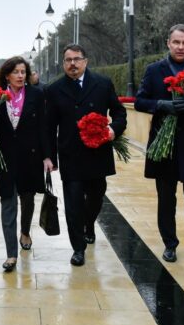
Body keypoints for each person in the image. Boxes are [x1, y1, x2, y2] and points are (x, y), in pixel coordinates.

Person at [135, 24, 184, 270]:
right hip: (163, 145)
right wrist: (161, 105)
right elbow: (139, 101)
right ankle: (170, 244)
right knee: (166, 198)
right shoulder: (154, 70)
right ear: (168, 43)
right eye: (176, 42)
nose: (181, 47)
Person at [45, 44, 127, 266]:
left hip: (97, 152)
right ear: (63, 64)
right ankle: (78, 248)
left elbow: (119, 112)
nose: (73, 64)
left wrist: (113, 130)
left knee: (96, 195)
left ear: (86, 61)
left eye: (77, 59)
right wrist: (49, 156)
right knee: (72, 203)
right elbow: (49, 126)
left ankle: (89, 223)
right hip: (70, 154)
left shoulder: (102, 83)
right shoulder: (54, 90)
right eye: (68, 60)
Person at [0, 56, 53, 272]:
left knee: (28, 199)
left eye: (24, 72)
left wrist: (48, 156)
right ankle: (11, 254)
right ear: (7, 75)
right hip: (5, 158)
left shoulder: (36, 94)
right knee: (8, 203)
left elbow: (44, 127)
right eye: (16, 72)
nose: (21, 76)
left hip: (30, 157)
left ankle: (25, 231)